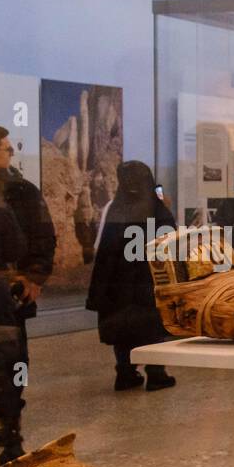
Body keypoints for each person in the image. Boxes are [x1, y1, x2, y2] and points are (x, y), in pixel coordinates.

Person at [0, 122, 55, 462]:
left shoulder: (21, 190)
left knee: (10, 364)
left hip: (6, 295)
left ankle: (7, 434)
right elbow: (18, 241)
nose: (10, 152)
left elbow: (40, 237)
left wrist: (34, 276)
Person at [85, 161, 177, 391]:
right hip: (149, 281)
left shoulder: (116, 208)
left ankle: (125, 373)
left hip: (118, 283)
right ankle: (156, 373)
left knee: (122, 329)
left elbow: (104, 250)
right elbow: (172, 245)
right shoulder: (157, 209)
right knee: (152, 327)